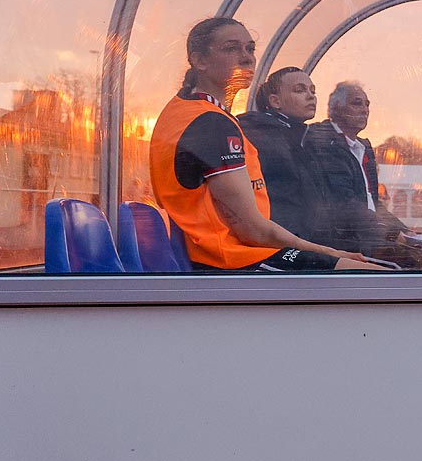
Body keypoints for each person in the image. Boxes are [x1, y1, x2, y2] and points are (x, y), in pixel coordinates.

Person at [150, 18, 381, 272]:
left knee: (359, 268)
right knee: (372, 276)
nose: (246, 57)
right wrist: (330, 252)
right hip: (229, 259)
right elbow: (252, 230)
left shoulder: (191, 110)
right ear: (199, 60)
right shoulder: (210, 123)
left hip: (231, 252)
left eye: (250, 49)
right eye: (231, 48)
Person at [303, 81, 422, 266]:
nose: (364, 110)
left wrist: (404, 230)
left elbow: (372, 203)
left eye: (367, 104)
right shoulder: (323, 140)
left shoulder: (363, 147)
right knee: (420, 261)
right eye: (357, 103)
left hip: (366, 235)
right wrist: (392, 233)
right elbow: (344, 203)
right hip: (343, 240)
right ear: (335, 108)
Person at [238, 66, 329, 243]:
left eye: (312, 90)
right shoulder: (262, 138)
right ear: (275, 101)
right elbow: (281, 203)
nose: (311, 96)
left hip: (301, 242)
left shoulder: (299, 138)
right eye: (299, 90)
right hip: (282, 245)